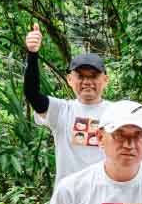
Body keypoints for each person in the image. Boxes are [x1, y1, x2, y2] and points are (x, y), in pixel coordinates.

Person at [23, 24, 111, 184]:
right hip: (68, 198)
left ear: (105, 80)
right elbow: (32, 95)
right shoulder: (61, 110)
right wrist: (32, 54)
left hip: (103, 196)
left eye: (93, 76)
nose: (87, 82)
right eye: (81, 76)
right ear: (70, 80)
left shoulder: (116, 112)